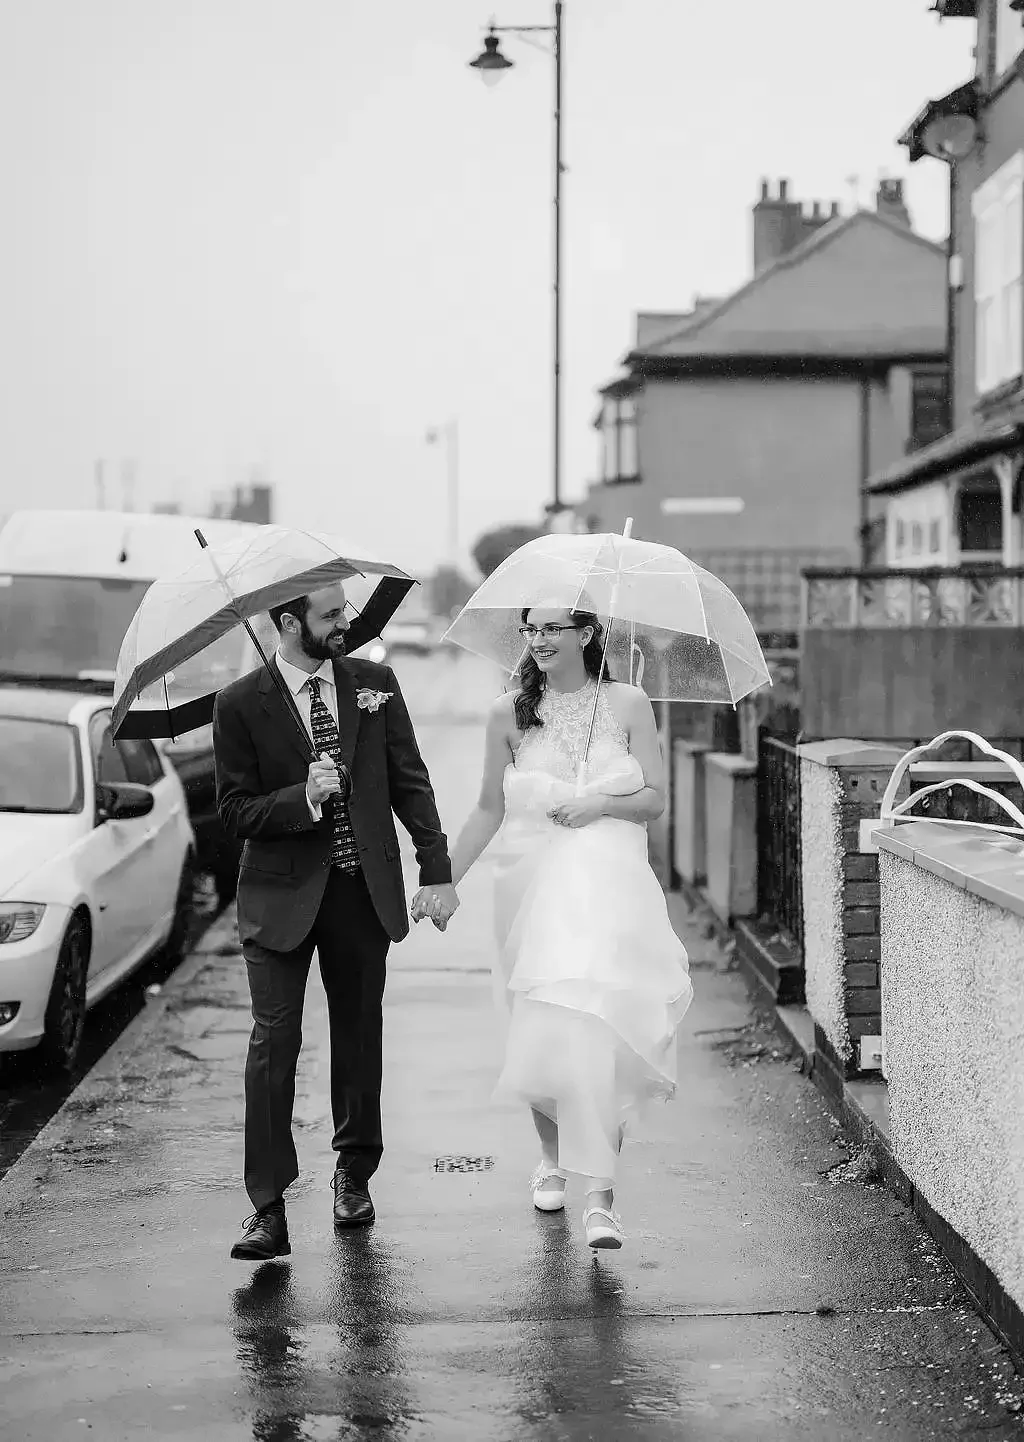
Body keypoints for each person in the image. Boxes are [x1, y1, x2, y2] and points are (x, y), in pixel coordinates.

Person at [213, 580, 459, 1261]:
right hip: (279, 896)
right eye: (329, 615)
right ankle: (266, 1206)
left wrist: (436, 866)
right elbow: (234, 812)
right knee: (274, 1043)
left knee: (358, 1034)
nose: (342, 623)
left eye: (343, 610)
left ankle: (353, 1173)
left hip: (360, 890)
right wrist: (303, 797)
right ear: (289, 624)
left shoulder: (373, 684)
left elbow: (410, 779)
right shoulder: (238, 705)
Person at [448, 605, 693, 1249]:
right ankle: (552, 1157)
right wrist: (440, 879)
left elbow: (656, 799)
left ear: (587, 635)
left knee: (594, 1021)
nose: (541, 639)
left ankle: (602, 1199)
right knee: (540, 1020)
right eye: (532, 629)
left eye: (553, 627)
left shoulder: (629, 702)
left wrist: (599, 803)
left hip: (609, 887)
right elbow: (485, 809)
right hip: (525, 880)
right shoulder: (508, 713)